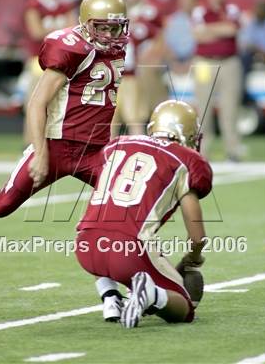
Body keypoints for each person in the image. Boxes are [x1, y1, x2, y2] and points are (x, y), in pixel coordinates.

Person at [0, 0, 129, 321]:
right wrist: (41, 153)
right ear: (86, 24)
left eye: (115, 28)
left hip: (96, 150)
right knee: (3, 204)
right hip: (57, 146)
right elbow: (37, 102)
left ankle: (130, 288)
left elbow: (105, 101)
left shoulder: (118, 48)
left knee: (125, 212)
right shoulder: (70, 47)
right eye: (102, 27)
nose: (110, 35)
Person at [75, 100, 213, 328]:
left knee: (101, 224)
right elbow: (197, 236)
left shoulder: (116, 145)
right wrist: (192, 260)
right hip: (127, 253)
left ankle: (110, 296)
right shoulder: (184, 161)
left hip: (85, 247)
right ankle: (150, 293)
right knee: (185, 308)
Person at [14, 0, 77, 145]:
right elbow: (36, 32)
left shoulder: (64, 5)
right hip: (39, 60)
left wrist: (53, 30)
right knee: (35, 103)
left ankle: (53, 142)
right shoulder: (33, 5)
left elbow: (73, 29)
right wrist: (60, 30)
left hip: (61, 62)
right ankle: (31, 143)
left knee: (58, 104)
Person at [192, 0, 243, 161]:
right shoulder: (199, 11)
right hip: (205, 62)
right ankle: (203, 151)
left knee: (230, 107)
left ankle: (233, 150)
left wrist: (210, 29)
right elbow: (198, 35)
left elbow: (232, 29)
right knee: (204, 107)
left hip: (229, 61)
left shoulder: (231, 8)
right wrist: (221, 29)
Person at [111, 0, 166, 137]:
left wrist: (153, 55)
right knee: (109, 120)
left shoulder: (150, 11)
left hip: (133, 74)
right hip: (112, 73)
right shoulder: (115, 11)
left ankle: (140, 152)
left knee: (135, 118)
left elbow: (161, 37)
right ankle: (104, 158)